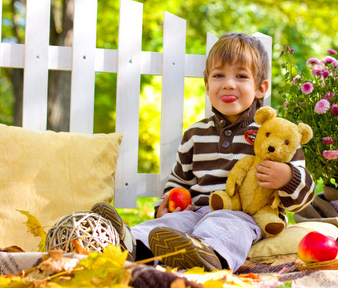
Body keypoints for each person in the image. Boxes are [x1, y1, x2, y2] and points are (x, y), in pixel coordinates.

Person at [93, 33, 315, 272]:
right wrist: (164, 206)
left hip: (244, 216)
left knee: (225, 226)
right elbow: (179, 182)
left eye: (241, 76)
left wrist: (287, 177)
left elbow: (301, 200)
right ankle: (128, 244)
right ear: (208, 86)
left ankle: (208, 256)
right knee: (169, 224)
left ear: (260, 88)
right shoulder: (195, 134)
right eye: (219, 75)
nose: (228, 83)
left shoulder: (275, 134)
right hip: (197, 211)